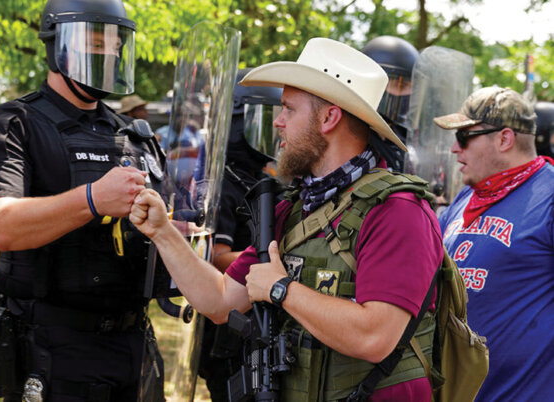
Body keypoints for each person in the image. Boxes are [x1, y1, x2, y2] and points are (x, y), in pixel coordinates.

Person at [131, 38, 444, 400]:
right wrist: (162, 232)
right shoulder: (297, 208)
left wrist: (282, 289)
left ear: (329, 117)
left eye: (288, 109)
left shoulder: (398, 210)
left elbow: (375, 337)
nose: (277, 123)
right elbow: (220, 301)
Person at [0, 0, 165, 401]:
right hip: (54, 347)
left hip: (136, 344)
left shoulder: (134, 135)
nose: (105, 54)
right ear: (57, 46)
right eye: (93, 42)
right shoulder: (13, 124)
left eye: (113, 45)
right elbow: (2, 227)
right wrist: (91, 199)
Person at [434, 87, 554, 401]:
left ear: (503, 139)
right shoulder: (465, 198)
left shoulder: (549, 196)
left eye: (464, 137)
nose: (454, 150)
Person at [198, 68, 282, 401]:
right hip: (228, 333)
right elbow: (216, 256)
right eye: (263, 120)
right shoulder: (224, 185)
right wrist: (276, 263)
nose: (274, 129)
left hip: (258, 329)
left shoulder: (262, 181)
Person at [362, 35, 419, 172]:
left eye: (413, 87)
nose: (409, 94)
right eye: (401, 85)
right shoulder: (352, 137)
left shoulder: (404, 138)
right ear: (374, 85)